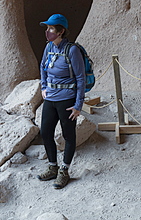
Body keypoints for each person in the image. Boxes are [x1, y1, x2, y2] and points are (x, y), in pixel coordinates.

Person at [37, 14, 86, 189]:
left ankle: (64, 171)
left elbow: (81, 78)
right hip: (50, 97)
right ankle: (52, 166)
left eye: (51, 28)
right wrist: (43, 87)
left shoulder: (72, 50)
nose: (47, 31)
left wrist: (78, 104)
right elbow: (43, 67)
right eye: (47, 28)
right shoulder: (49, 47)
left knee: (68, 135)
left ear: (61, 31)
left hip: (67, 100)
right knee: (45, 132)